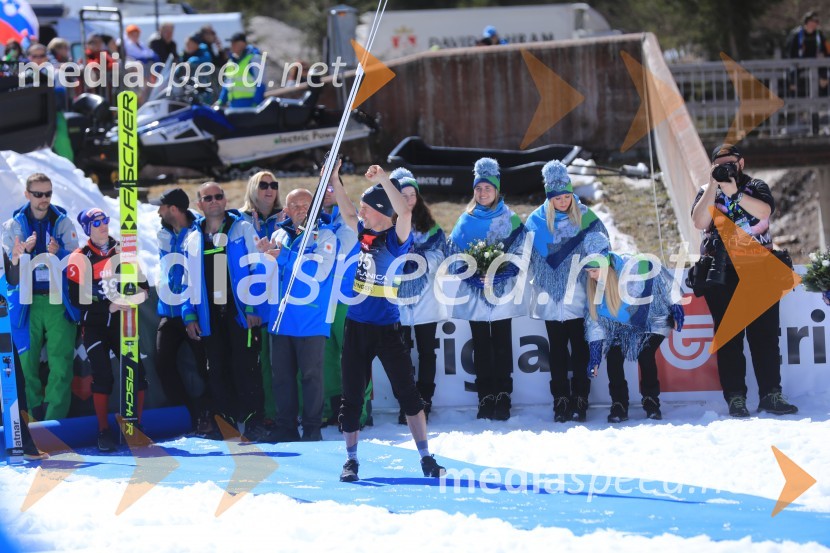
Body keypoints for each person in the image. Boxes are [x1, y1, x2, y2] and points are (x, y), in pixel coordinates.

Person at [333, 164, 445, 482]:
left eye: (366, 208)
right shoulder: (364, 233)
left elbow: (404, 212)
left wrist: (384, 179)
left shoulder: (396, 239)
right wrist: (334, 178)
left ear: (381, 211)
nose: (361, 213)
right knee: (351, 398)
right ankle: (351, 460)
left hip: (387, 329)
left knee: (408, 395)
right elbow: (347, 211)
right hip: (356, 326)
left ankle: (426, 457)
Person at [690, 144, 799, 417]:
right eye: (720, 164)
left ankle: (771, 394)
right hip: (721, 272)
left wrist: (735, 193)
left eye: (730, 163)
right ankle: (735, 397)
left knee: (765, 337)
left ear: (741, 163)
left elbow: (764, 212)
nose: (726, 168)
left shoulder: (756, 186)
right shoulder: (706, 191)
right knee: (729, 339)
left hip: (759, 268)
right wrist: (713, 186)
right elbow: (699, 222)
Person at [182, 182, 268, 439]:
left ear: (225, 199)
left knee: (246, 367)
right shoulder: (192, 237)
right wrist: (189, 314)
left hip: (240, 312)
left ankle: (254, 423)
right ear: (199, 204)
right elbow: (186, 280)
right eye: (207, 198)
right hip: (209, 315)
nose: (214, 201)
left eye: (218, 196)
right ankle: (226, 423)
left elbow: (258, 267)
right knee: (217, 370)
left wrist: (253, 305)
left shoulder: (242, 228)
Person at [525, 160, 608, 423]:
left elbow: (603, 247)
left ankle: (580, 399)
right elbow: (526, 255)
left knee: (580, 350)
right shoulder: (536, 221)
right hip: (550, 296)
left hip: (579, 295)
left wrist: (596, 264)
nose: (562, 202)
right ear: (549, 198)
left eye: (566, 197)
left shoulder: (587, 218)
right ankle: (560, 400)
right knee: (557, 351)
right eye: (557, 198)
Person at [448, 158, 528, 421]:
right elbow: (453, 254)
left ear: (497, 190)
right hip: (475, 295)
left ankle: (503, 395)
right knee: (481, 345)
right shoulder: (465, 220)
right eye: (478, 188)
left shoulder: (510, 218)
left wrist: (502, 273)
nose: (483, 193)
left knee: (503, 343)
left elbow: (522, 250)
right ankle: (485, 397)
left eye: (488, 188)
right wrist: (472, 276)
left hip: (502, 292)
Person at [67, 209, 149, 452]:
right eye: (96, 223)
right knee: (103, 376)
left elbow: (144, 288)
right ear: (87, 228)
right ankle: (103, 430)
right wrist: (108, 306)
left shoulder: (124, 252)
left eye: (105, 220)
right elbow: (76, 299)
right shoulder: (79, 257)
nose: (103, 225)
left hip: (122, 323)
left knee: (137, 373)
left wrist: (136, 297)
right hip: (94, 325)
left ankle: (135, 426)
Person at [260, 189, 339, 442]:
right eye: (295, 205)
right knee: (282, 378)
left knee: (311, 378)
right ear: (286, 210)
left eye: (307, 205)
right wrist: (265, 256)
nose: (302, 210)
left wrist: (283, 256)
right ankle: (286, 427)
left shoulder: (326, 235)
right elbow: (270, 276)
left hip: (311, 320)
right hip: (280, 320)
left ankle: (312, 429)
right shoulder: (278, 235)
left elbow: (318, 272)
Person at [582, 234, 685, 423]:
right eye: (588, 271)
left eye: (594, 271)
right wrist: (595, 355)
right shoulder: (593, 287)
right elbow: (594, 323)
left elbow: (663, 278)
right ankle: (619, 404)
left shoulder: (632, 265)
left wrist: (676, 307)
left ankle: (651, 401)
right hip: (622, 327)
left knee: (645, 354)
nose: (591, 276)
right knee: (613, 357)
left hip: (652, 318)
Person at [1, 173, 79, 421]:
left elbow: (76, 263)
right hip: (25, 303)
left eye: (48, 193)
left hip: (58, 301)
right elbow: (9, 273)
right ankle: (31, 420)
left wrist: (60, 252)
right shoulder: (12, 226)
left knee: (61, 365)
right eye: (38, 194)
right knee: (25, 365)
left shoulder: (64, 222)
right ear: (27, 194)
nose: (44, 199)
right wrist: (21, 254)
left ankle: (54, 421)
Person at [388, 168, 447, 423]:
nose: (409, 199)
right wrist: (401, 262)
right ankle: (407, 404)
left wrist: (419, 259)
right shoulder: (387, 225)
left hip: (426, 299)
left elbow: (442, 256)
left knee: (427, 352)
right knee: (400, 354)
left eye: (412, 195)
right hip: (397, 300)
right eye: (403, 195)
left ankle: (425, 401)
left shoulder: (431, 228)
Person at [153, 188, 211, 434]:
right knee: (162, 363)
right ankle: (186, 414)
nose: (158, 211)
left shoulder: (200, 231)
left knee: (205, 367)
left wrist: (192, 313)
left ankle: (208, 415)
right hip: (169, 311)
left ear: (174, 209)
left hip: (195, 312)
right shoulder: (163, 233)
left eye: (161, 206)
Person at [320, 158, 371, 428]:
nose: (328, 193)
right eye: (323, 188)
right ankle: (333, 408)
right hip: (321, 300)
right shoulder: (315, 220)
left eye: (332, 188)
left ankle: (360, 412)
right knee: (327, 358)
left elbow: (337, 246)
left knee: (352, 357)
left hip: (348, 300)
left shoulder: (352, 220)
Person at [239, 171, 284, 425]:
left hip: (285, 303)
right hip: (256, 304)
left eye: (273, 185)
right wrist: (250, 305)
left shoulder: (286, 218)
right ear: (252, 188)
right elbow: (243, 268)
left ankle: (291, 412)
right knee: (263, 364)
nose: (269, 189)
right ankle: (268, 413)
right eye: (263, 184)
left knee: (285, 364)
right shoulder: (241, 220)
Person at [3, 251, 50, 461]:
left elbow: (12, 281)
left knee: (16, 383)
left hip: (3, 329)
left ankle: (24, 444)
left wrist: (14, 262)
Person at [784, 10, 829, 97]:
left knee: (825, 75)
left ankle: (822, 99)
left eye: (816, 22)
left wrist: (823, 55)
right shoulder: (796, 34)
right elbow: (790, 52)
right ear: (806, 22)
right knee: (792, 76)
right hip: (799, 63)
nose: (813, 24)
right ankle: (793, 101)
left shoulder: (819, 35)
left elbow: (826, 51)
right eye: (811, 21)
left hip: (816, 63)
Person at [216, 33, 265, 109]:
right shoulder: (231, 62)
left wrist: (256, 103)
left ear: (243, 44)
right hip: (233, 105)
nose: (231, 46)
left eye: (234, 43)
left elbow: (261, 83)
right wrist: (220, 102)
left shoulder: (254, 59)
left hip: (250, 105)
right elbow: (227, 84)